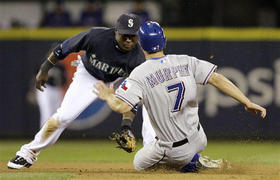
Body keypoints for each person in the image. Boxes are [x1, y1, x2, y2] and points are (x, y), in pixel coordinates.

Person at [92, 21, 266, 172]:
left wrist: (108, 96)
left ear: (141, 45)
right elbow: (217, 78)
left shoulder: (139, 74)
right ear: (164, 40)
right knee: (158, 143)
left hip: (175, 150)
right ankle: (194, 157)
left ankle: (194, 163)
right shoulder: (185, 60)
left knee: (139, 163)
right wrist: (247, 101)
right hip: (199, 137)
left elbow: (122, 107)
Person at [7, 13, 145, 169]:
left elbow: (132, 100)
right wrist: (45, 68)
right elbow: (64, 48)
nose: (128, 39)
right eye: (124, 34)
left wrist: (126, 127)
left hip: (116, 80)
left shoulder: (138, 59)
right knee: (63, 117)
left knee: (148, 97)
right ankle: (28, 153)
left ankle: (155, 154)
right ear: (115, 31)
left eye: (132, 36)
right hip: (88, 75)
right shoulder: (96, 36)